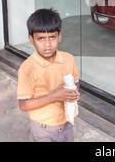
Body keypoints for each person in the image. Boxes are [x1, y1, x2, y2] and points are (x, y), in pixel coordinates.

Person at [17, 8, 80, 142]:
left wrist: (73, 92)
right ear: (31, 39)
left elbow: (76, 82)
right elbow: (23, 105)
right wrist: (55, 96)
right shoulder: (28, 68)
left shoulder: (68, 59)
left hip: (66, 123)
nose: (47, 45)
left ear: (59, 36)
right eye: (41, 38)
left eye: (52, 37)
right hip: (42, 129)